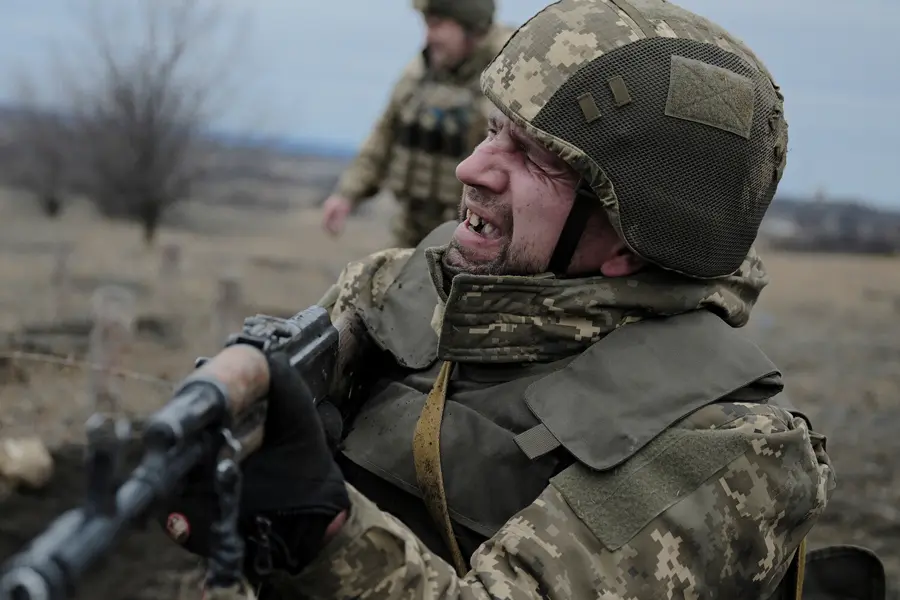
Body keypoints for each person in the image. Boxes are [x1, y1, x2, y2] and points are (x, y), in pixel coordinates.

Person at [163, 0, 887, 599]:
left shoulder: (729, 451)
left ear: (632, 236)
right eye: (492, 131)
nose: (471, 168)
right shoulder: (407, 284)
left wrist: (321, 530)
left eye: (534, 160)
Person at [319, 0, 513, 248]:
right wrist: (347, 194)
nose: (429, 37)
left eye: (438, 25)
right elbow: (385, 134)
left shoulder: (509, 75)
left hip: (474, 234)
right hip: (411, 226)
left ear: (471, 27)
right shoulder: (420, 72)